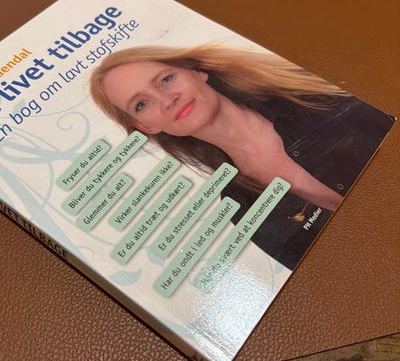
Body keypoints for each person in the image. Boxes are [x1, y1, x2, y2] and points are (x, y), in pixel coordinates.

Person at [90, 44, 394, 269]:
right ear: (145, 126)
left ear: (197, 72)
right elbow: (336, 274)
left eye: (166, 79)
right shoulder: (239, 206)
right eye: (141, 104)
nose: (167, 100)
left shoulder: (316, 98)